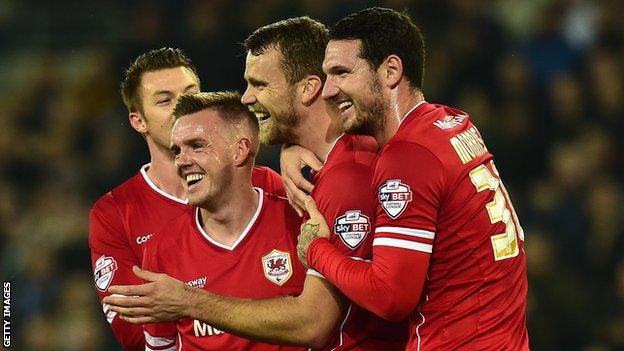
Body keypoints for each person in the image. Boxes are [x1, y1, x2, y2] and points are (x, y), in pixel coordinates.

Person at [103, 17, 406, 350]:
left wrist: (188, 301)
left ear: (307, 88)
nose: (246, 98)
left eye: (259, 84)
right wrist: (292, 145)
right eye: (178, 149)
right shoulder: (313, 175)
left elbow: (314, 324)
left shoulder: (341, 179)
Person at [293, 7, 530, 350]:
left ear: (390, 70)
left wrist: (317, 250)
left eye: (341, 72)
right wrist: (292, 148)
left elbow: (391, 296)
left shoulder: (407, 156)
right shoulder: (452, 123)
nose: (328, 91)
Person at [89, 48, 283, 351]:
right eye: (165, 100)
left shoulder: (261, 181)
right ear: (139, 121)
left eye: (191, 93)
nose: (182, 106)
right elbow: (136, 330)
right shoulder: (115, 213)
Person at [140, 91, 308, 350]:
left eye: (197, 146)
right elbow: (161, 345)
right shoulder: (162, 251)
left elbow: (320, 325)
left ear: (240, 150)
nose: (182, 161)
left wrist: (189, 301)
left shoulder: (297, 223)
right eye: (177, 151)